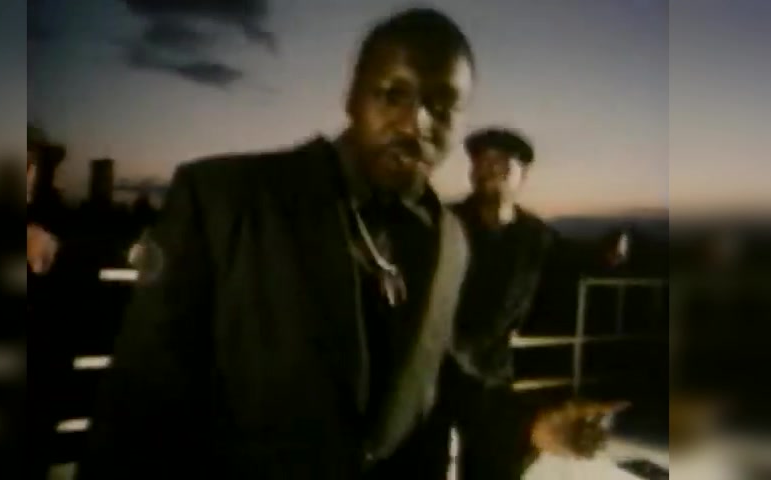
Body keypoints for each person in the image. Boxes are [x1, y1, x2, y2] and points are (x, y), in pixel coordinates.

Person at [78, 9, 620, 480]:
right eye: (393, 94)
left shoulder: (452, 239)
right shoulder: (225, 200)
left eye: (442, 105)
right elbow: (135, 412)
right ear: (352, 98)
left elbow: (439, 375)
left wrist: (533, 425)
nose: (416, 122)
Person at [445, 128, 627, 478]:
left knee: (495, 466)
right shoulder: (444, 223)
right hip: (433, 370)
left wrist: (607, 252)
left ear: (522, 175)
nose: (490, 170)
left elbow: (572, 256)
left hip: (491, 373)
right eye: (482, 162)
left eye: (503, 164)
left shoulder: (534, 236)